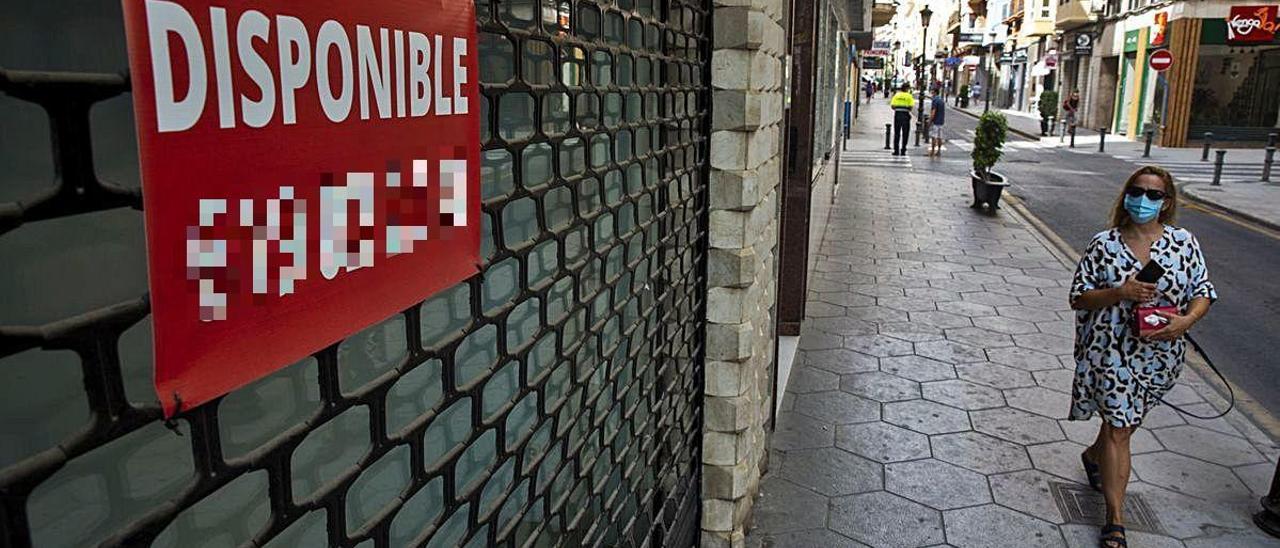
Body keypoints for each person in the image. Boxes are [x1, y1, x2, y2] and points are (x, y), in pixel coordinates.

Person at [1068, 166, 1216, 548]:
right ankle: (1115, 521)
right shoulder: (1104, 243)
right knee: (1119, 426)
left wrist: (1186, 321)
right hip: (1110, 352)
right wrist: (1120, 292)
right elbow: (1079, 297)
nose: (1144, 200)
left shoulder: (1183, 242)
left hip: (1161, 356)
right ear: (1126, 194)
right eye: (1137, 191)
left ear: (1167, 203)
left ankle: (1093, 456)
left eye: (1154, 194)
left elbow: (1203, 289)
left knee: (1125, 424)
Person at [889, 84, 915, 156]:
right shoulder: (909, 96)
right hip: (905, 115)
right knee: (905, 134)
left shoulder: (897, 95)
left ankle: (896, 150)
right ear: (906, 89)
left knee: (897, 133)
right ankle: (903, 150)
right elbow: (911, 107)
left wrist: (898, 107)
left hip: (897, 115)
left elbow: (892, 106)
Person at [928, 85, 945, 157]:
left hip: (935, 121)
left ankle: (932, 151)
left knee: (934, 136)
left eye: (932, 92)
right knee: (940, 136)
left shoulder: (935, 100)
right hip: (941, 121)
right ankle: (939, 151)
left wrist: (930, 120)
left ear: (935, 92)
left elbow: (933, 111)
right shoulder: (941, 100)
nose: (931, 93)